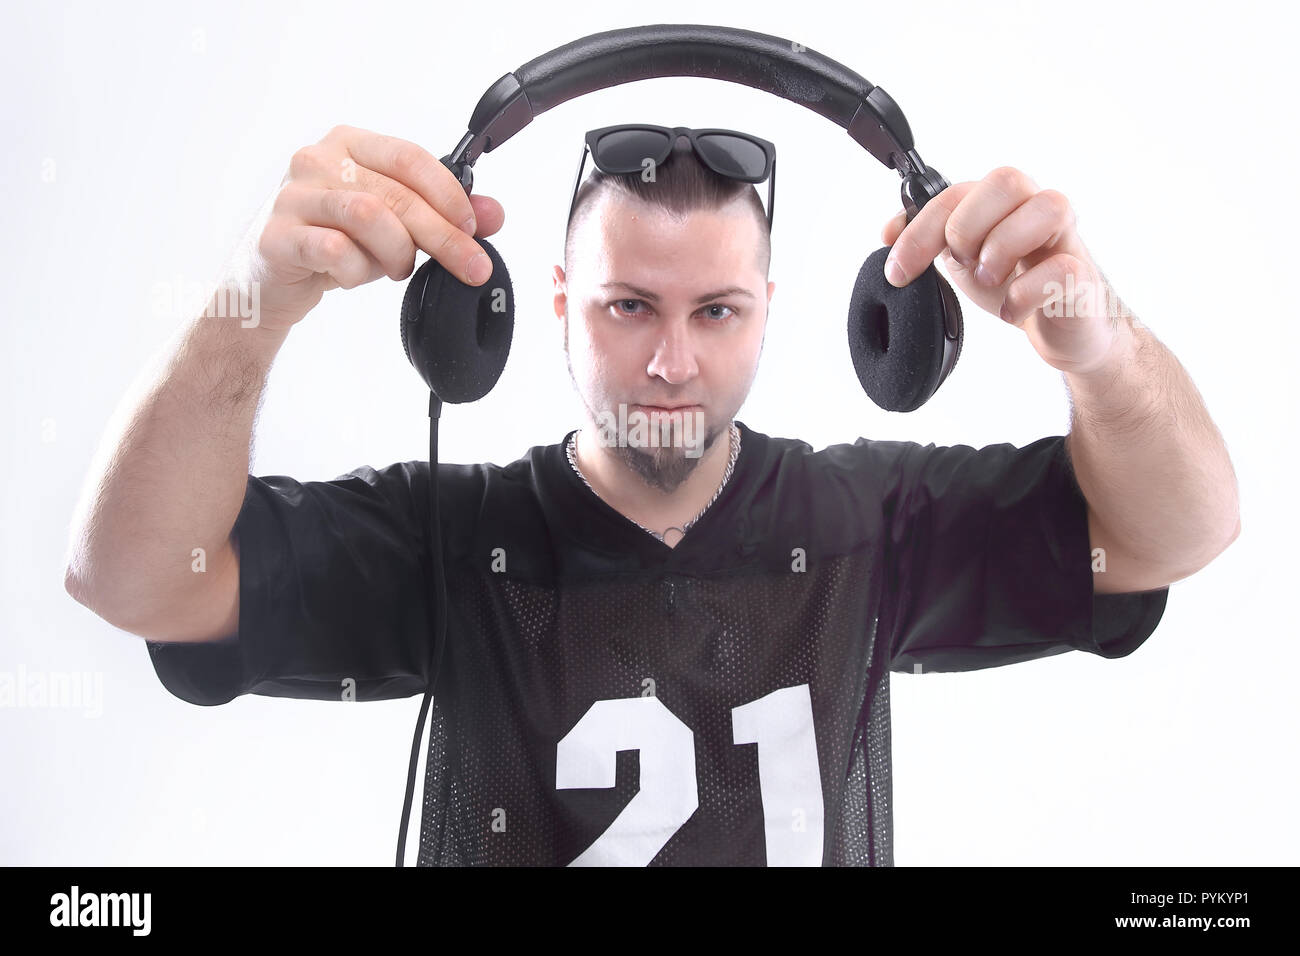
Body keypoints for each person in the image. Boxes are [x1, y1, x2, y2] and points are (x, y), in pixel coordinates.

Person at [63, 124, 1240, 866]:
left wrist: (1100, 349)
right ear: (556, 302)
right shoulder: (454, 540)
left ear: (770, 309)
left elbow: (1177, 528)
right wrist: (255, 297)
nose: (672, 361)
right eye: (630, 305)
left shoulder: (868, 527)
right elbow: (130, 577)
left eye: (715, 311)